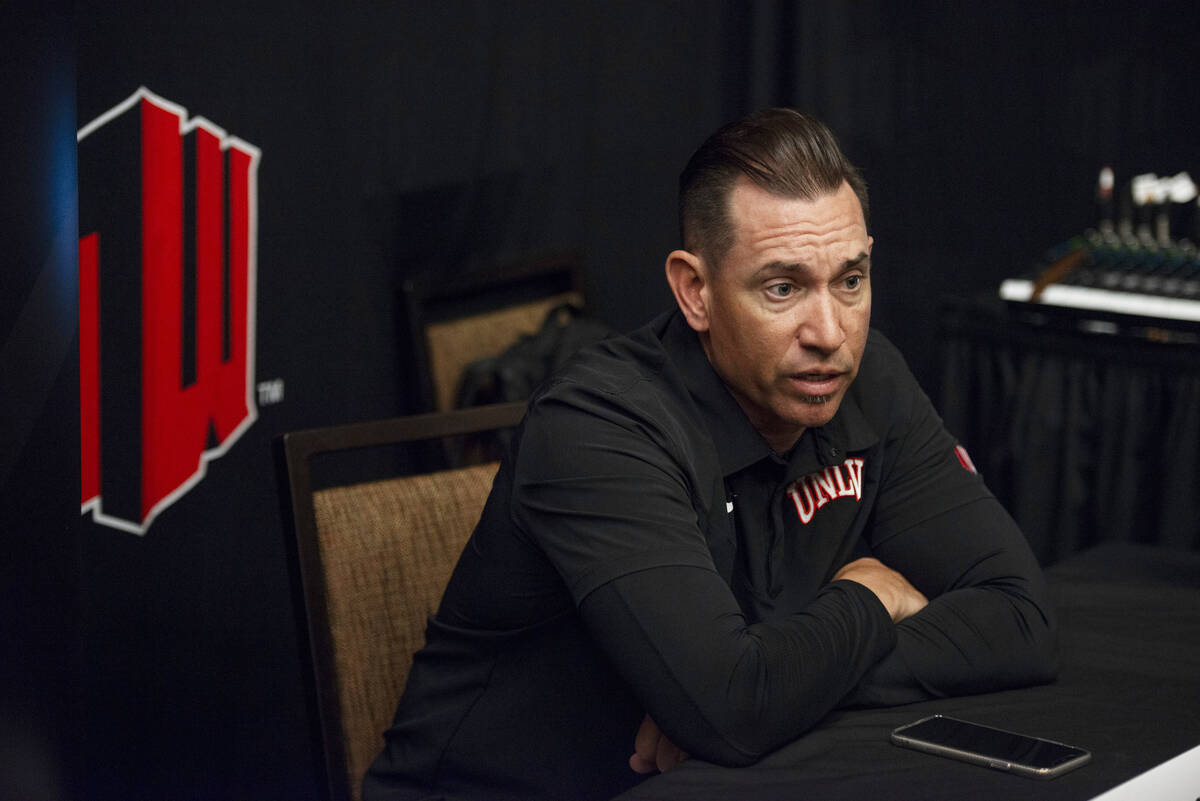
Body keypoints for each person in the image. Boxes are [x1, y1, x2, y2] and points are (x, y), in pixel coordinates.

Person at [363, 108, 1057, 801]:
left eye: (850, 280)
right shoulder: (598, 425)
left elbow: (1021, 619)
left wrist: (779, 692)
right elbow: (733, 709)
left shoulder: (868, 375)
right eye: (782, 288)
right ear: (695, 291)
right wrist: (871, 596)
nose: (829, 331)